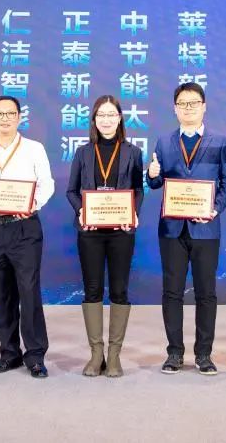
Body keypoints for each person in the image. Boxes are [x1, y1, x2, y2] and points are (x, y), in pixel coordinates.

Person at [147, 82, 226, 375]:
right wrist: (152, 174)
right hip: (172, 229)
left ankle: (204, 354)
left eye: (193, 102)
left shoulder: (220, 141)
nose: (188, 108)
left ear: (204, 106)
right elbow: (156, 183)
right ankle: (174, 353)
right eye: (182, 103)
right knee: (171, 292)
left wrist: (215, 209)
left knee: (206, 293)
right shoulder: (163, 142)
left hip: (206, 229)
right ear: (175, 109)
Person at [0, 96, 55, 379]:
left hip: (24, 228)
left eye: (10, 113)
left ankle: (35, 355)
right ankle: (9, 353)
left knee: (29, 292)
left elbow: (46, 184)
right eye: (0, 114)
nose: (5, 118)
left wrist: (33, 204)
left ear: (19, 117)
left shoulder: (34, 148)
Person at [66, 95, 144, 378]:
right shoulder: (83, 152)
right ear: (94, 120)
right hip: (90, 233)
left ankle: (114, 355)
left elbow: (138, 189)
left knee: (120, 290)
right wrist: (82, 211)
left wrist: (133, 212)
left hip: (121, 231)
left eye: (112, 115)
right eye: (102, 115)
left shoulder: (133, 152)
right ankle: (96, 353)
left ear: (120, 118)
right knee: (93, 290)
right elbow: (71, 191)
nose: (107, 120)